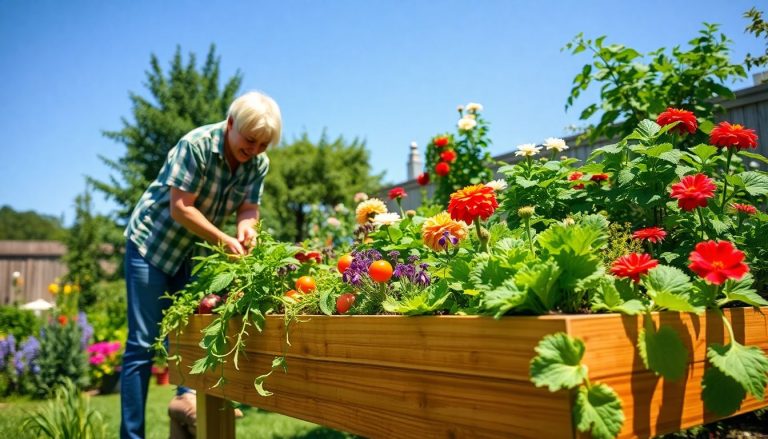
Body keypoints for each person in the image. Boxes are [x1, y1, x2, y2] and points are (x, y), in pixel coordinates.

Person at [120, 91, 282, 439]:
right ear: (230, 125)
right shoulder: (195, 145)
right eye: (249, 140)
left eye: (263, 144)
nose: (254, 150)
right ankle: (131, 435)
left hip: (193, 253)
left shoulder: (258, 163)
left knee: (191, 333)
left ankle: (185, 403)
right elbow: (181, 207)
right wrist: (224, 239)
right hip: (151, 245)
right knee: (143, 345)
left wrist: (246, 229)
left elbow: (249, 208)